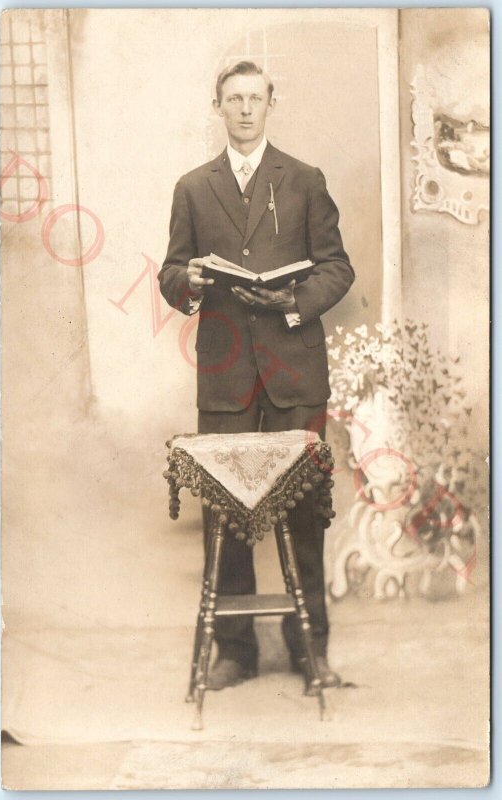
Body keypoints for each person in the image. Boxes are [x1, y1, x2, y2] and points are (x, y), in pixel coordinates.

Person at [159, 60, 355, 690]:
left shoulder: (303, 179)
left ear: (273, 103)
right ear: (216, 106)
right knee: (225, 514)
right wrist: (185, 284)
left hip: (295, 370)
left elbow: (336, 268)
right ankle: (235, 652)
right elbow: (169, 273)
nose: (245, 110)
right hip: (225, 373)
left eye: (255, 98)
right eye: (233, 99)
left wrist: (296, 304)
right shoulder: (192, 186)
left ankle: (309, 651)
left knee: (303, 516)